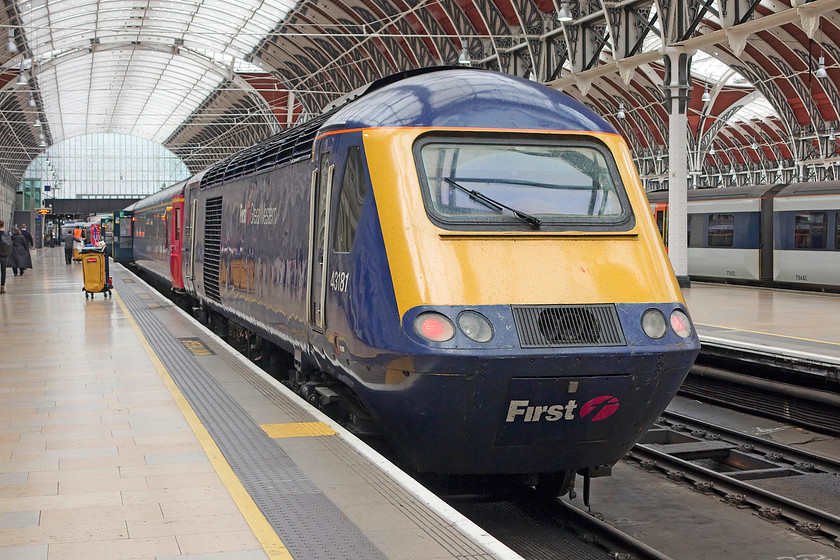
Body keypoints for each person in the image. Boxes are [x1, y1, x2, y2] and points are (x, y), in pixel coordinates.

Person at [0, 221, 10, 294]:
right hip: (4, 255)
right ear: (3, 226)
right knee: (3, 271)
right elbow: (10, 244)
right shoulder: (6, 234)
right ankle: (2, 286)